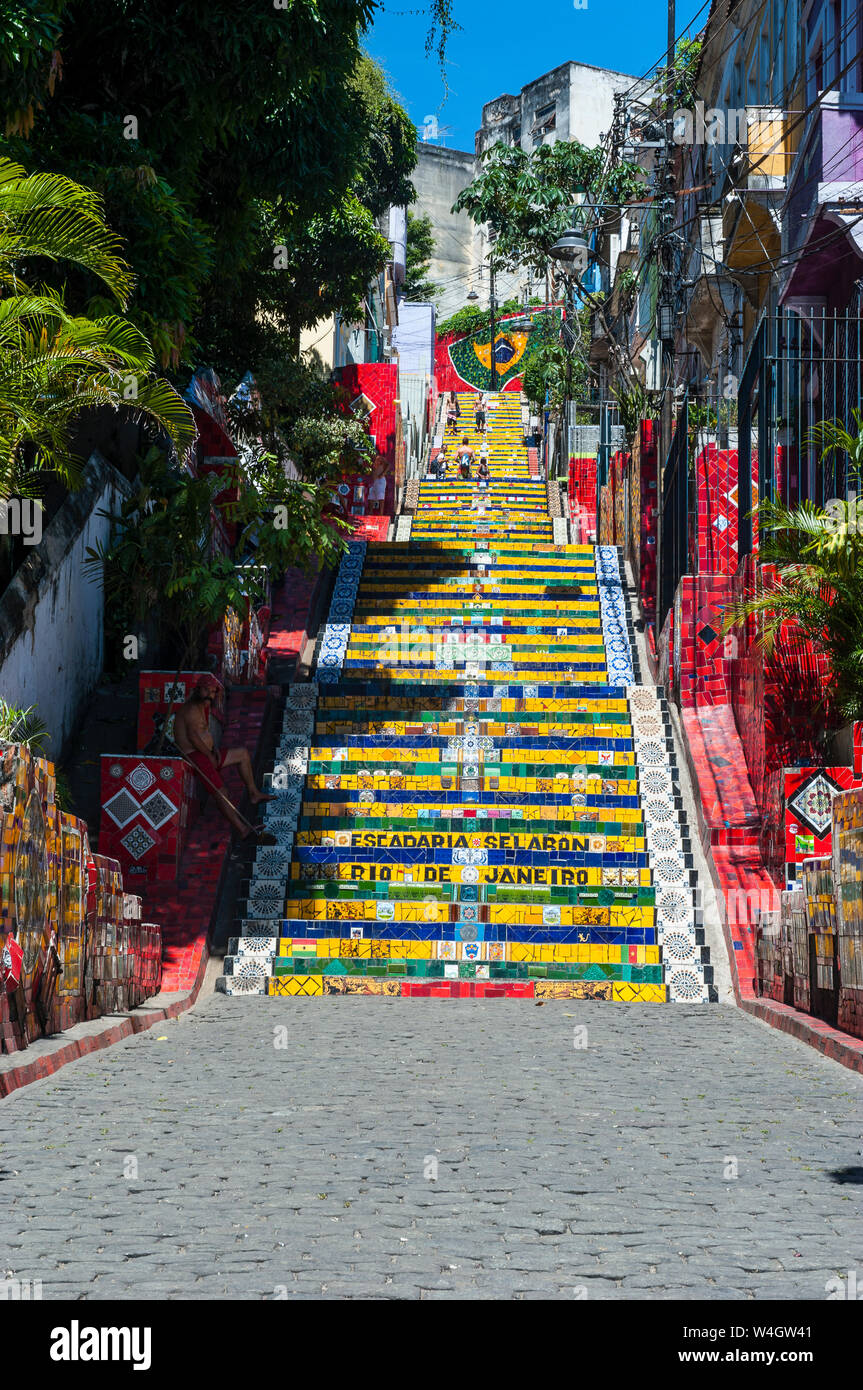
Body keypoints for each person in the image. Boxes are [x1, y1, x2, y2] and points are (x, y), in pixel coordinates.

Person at [173, 675, 275, 841]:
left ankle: (253, 793)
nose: (210, 695)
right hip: (195, 756)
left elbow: (204, 733)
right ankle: (242, 829)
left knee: (242, 754)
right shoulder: (191, 709)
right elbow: (193, 737)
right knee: (222, 791)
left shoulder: (204, 706)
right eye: (206, 690)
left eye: (213, 692)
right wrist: (209, 755)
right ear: (198, 689)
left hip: (207, 753)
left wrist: (214, 751)